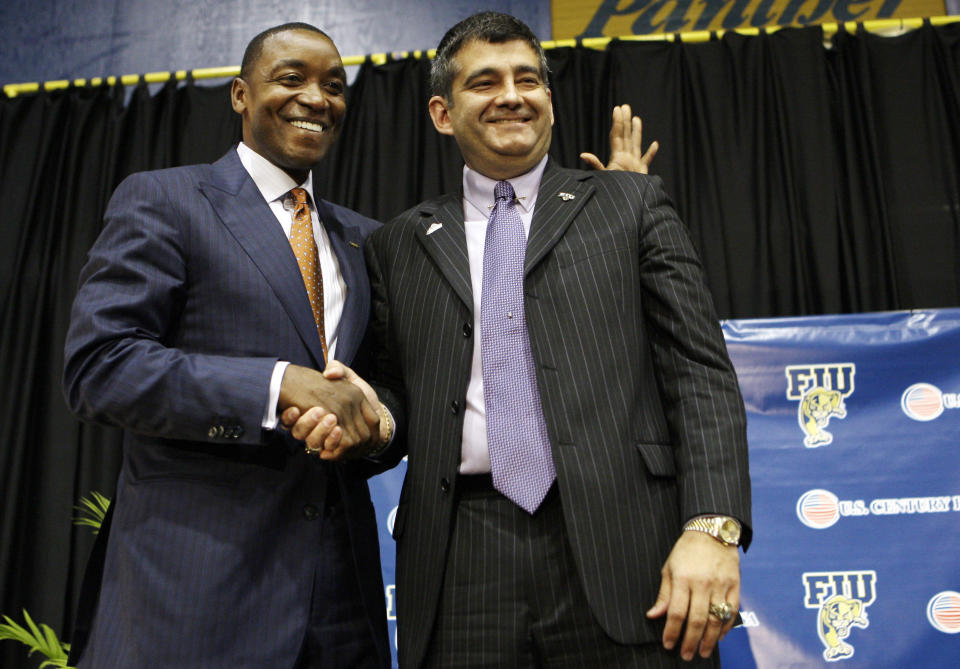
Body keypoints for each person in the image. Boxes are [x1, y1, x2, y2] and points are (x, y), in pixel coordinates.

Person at [291, 11, 751, 669]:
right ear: (443, 114)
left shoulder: (631, 205)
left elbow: (699, 374)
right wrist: (370, 419)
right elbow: (396, 400)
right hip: (459, 559)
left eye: (528, 79)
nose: (512, 94)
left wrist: (713, 527)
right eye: (485, 81)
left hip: (628, 546)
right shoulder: (400, 244)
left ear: (550, 101)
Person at [62, 23, 392, 668]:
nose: (317, 98)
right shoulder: (166, 199)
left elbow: (389, 389)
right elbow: (100, 366)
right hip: (195, 591)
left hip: (344, 603)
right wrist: (275, 385)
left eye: (334, 85)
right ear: (241, 95)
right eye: (292, 78)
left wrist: (372, 426)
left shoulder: (366, 240)